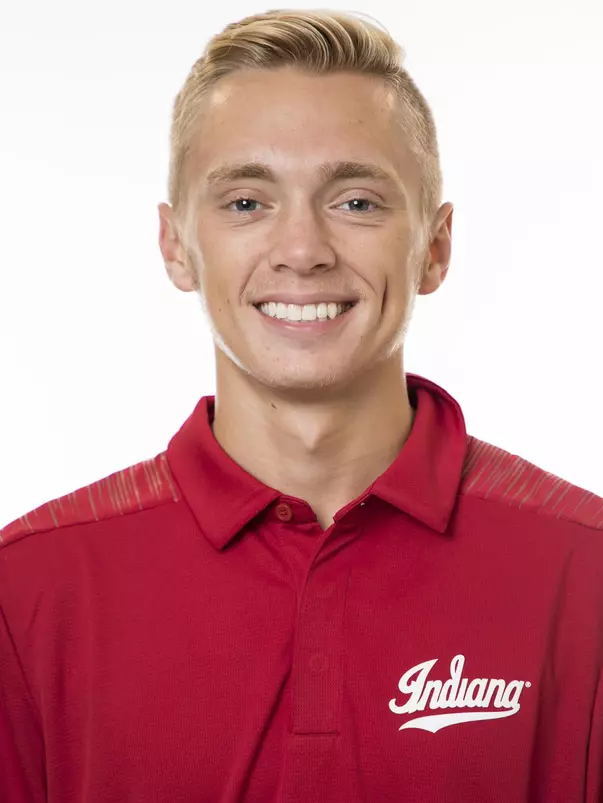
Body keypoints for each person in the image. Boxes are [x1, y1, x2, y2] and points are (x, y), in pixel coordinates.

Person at [1, 8, 602, 803]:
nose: (302, 249)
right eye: (246, 202)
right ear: (176, 245)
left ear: (434, 245)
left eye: (355, 202)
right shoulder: (29, 589)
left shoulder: (583, 574)